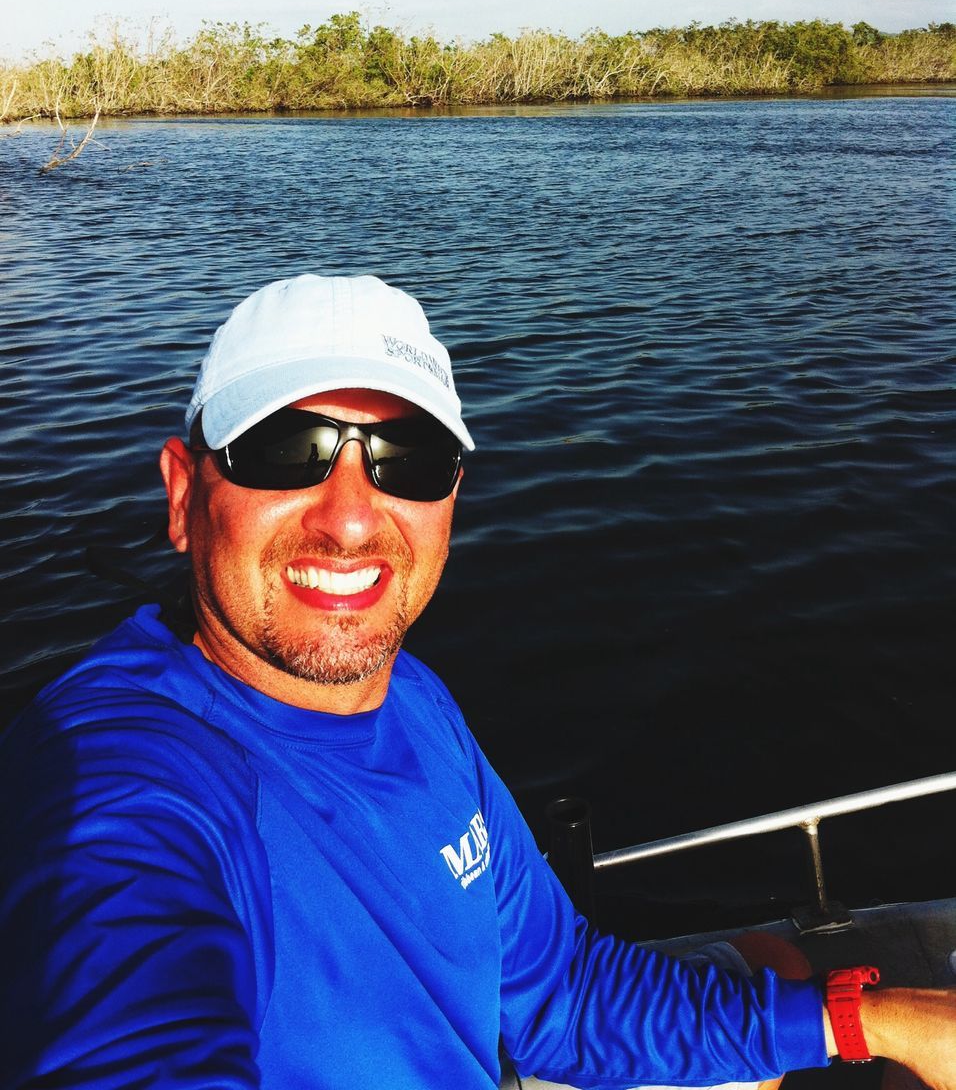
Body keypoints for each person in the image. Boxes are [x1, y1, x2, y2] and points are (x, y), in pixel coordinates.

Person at [1, 273, 953, 1090]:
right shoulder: (115, 779)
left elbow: (559, 995)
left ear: (451, 498)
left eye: (404, 462)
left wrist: (878, 1021)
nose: (349, 520)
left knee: (780, 964)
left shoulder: (412, 698)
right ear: (183, 496)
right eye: (284, 451)